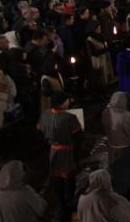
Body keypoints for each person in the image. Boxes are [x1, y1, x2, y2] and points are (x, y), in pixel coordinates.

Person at [38, 91, 83, 222]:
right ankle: (68, 205)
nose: (69, 101)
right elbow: (79, 137)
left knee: (56, 177)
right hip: (67, 152)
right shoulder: (69, 118)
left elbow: (40, 131)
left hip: (53, 151)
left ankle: (62, 202)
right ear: (62, 103)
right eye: (67, 100)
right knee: (69, 178)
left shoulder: (45, 115)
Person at [101, 91, 130, 167]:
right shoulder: (126, 117)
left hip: (112, 149)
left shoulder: (105, 112)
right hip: (126, 151)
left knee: (115, 170)